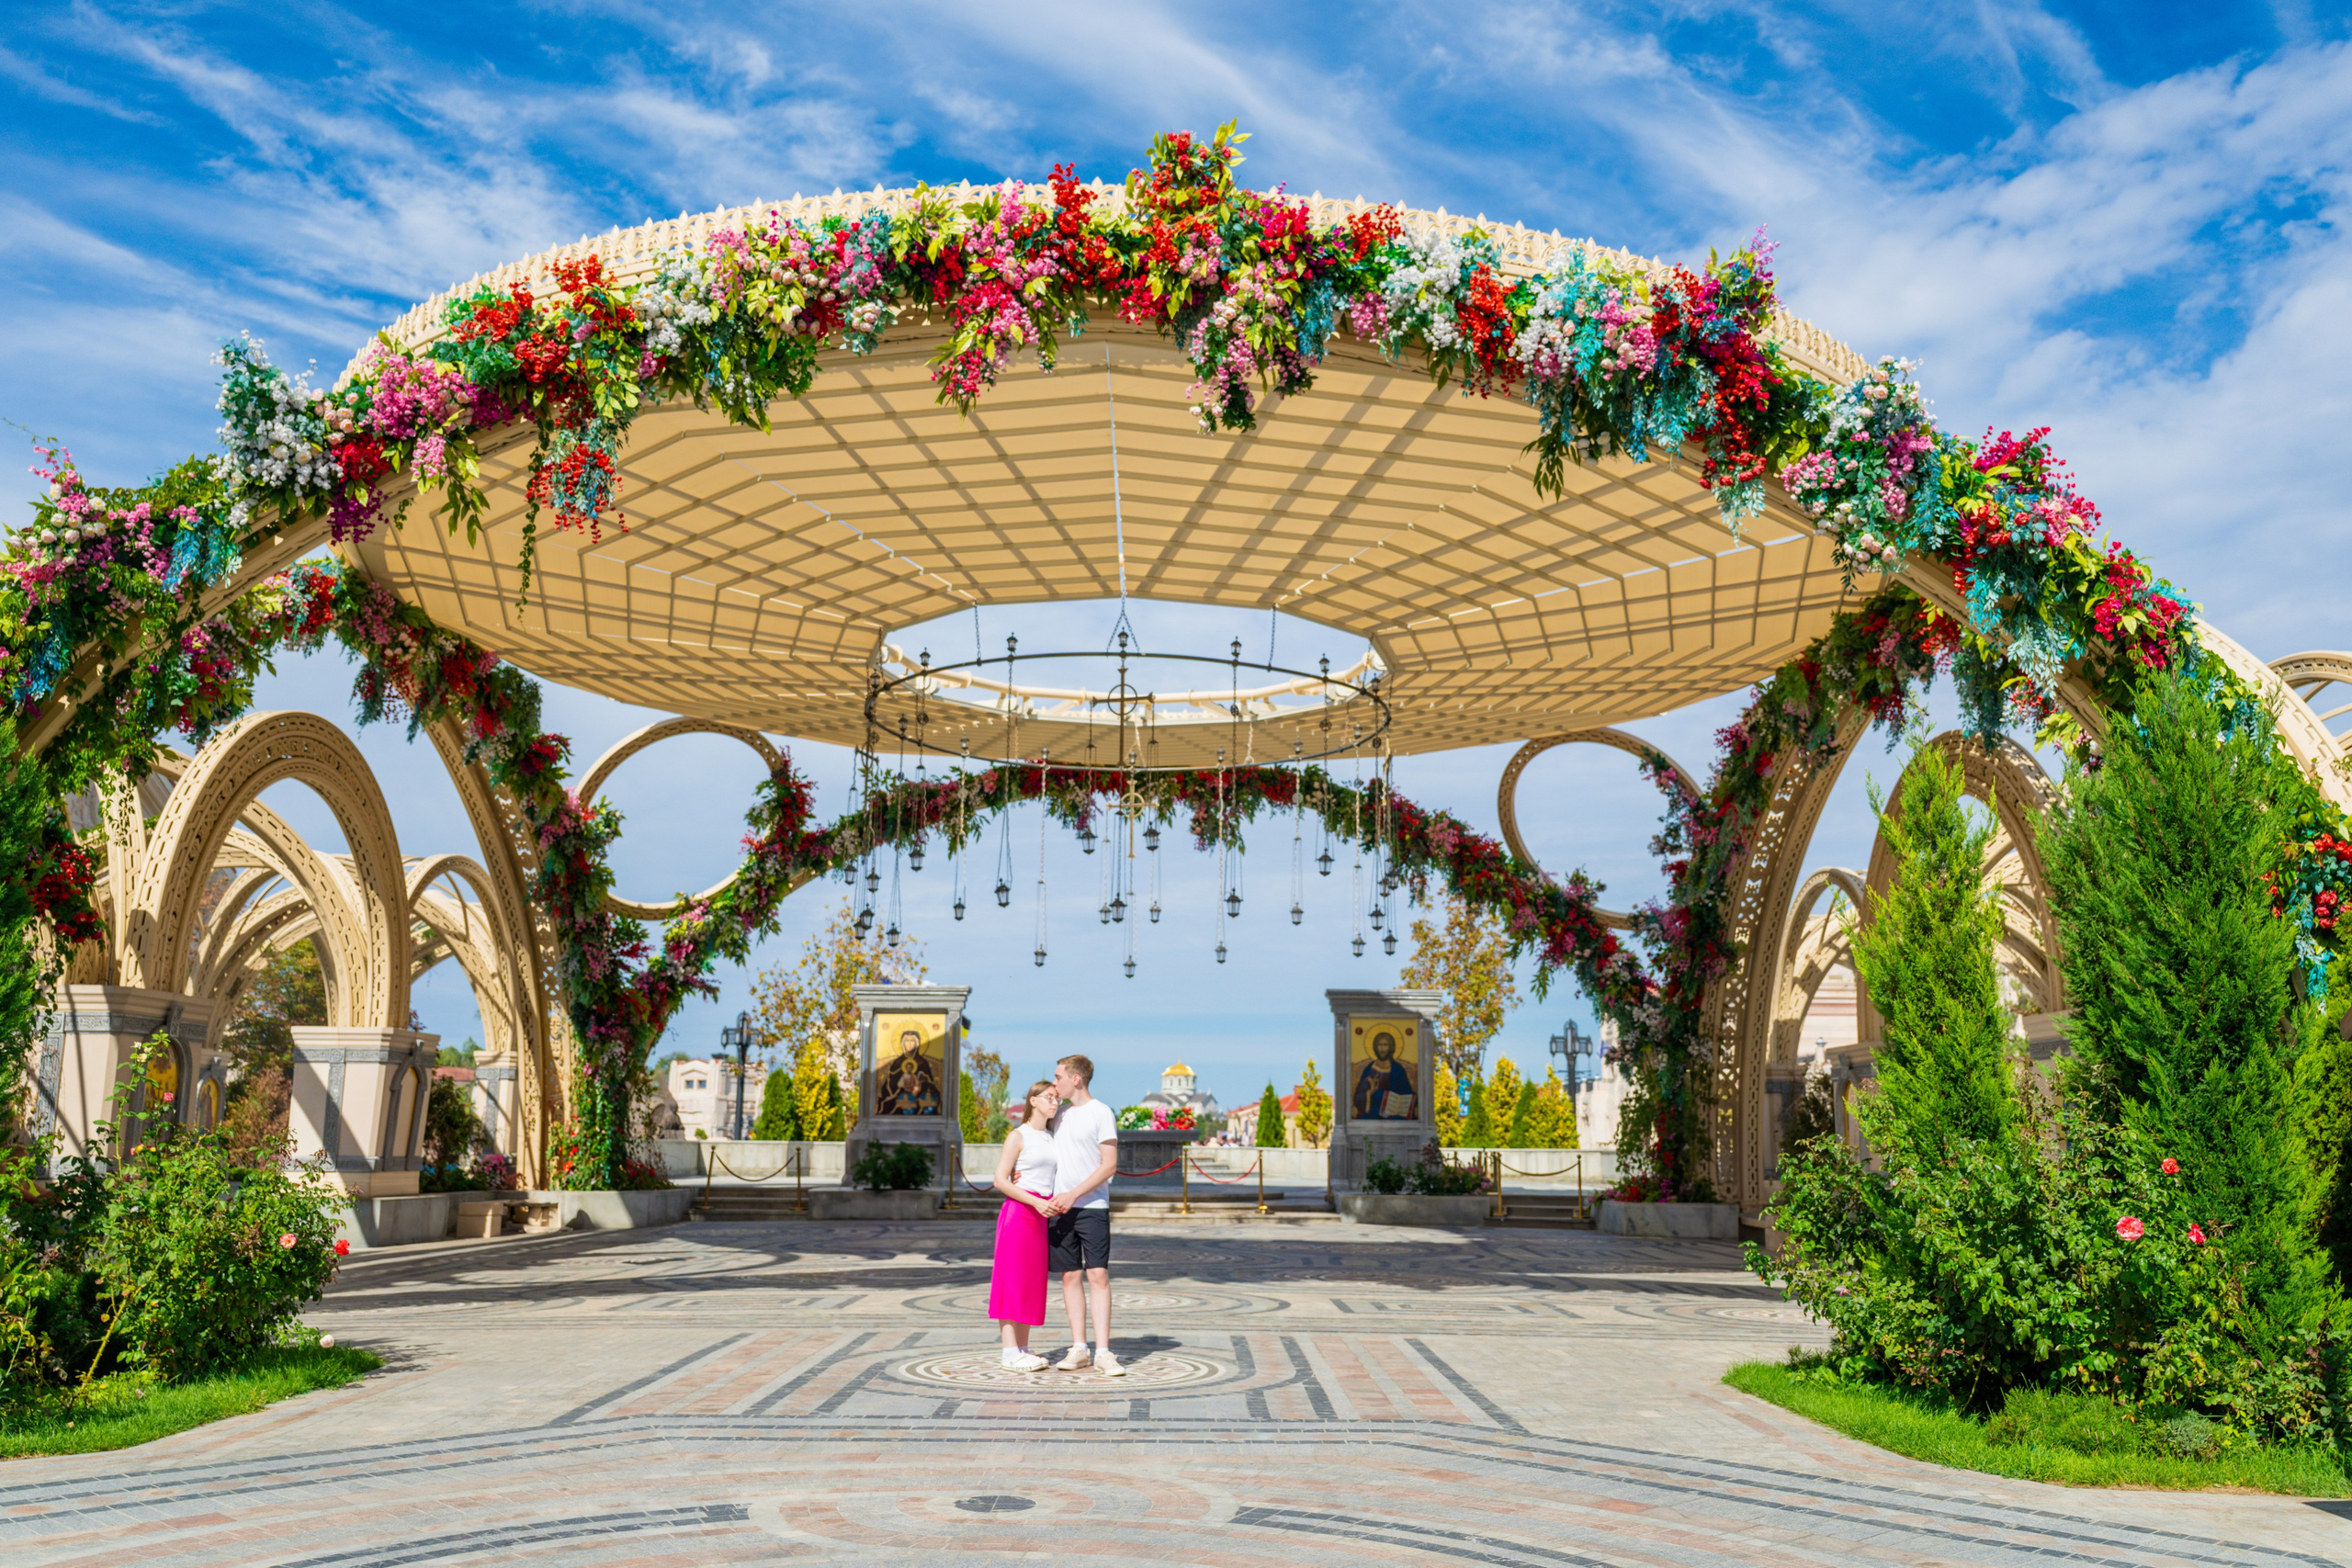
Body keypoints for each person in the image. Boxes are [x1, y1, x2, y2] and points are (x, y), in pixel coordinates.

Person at [1042, 1053, 1123, 1376]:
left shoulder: (1101, 1112)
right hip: (1060, 1209)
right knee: (1070, 1276)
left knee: (1098, 1275)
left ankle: (1103, 1352)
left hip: (1092, 1207)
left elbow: (1109, 1165)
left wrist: (1074, 1193)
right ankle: (1079, 1348)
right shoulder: (1059, 1115)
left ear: (1076, 1079)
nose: (1054, 1083)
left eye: (1058, 1076)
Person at [987, 1080, 1060, 1370]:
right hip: (1019, 1214)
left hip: (1041, 1217)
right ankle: (1009, 1352)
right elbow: (1000, 1180)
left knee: (1030, 1281)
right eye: (1049, 1097)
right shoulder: (1018, 1135)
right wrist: (1035, 1202)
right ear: (1033, 1100)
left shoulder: (1052, 1137)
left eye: (1057, 1098)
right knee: (1011, 1280)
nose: (1054, 1102)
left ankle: (1023, 1349)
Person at [1351, 1029, 1417, 1120]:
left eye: (1385, 1045)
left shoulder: (1397, 1069)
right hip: (1373, 1112)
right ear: (1375, 1047)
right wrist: (1370, 1092)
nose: (1382, 1049)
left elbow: (1407, 1092)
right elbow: (1358, 1097)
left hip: (1392, 1113)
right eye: (1380, 1045)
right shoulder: (1369, 1068)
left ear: (1390, 1047)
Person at [878, 1029, 942, 1115]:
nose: (909, 1044)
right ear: (903, 1043)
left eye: (912, 1041)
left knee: (928, 1103)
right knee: (886, 1104)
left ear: (917, 1043)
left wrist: (923, 1083)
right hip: (900, 1094)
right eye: (907, 1041)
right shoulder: (898, 1062)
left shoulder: (922, 1062)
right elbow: (890, 1082)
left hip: (919, 1095)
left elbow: (930, 1083)